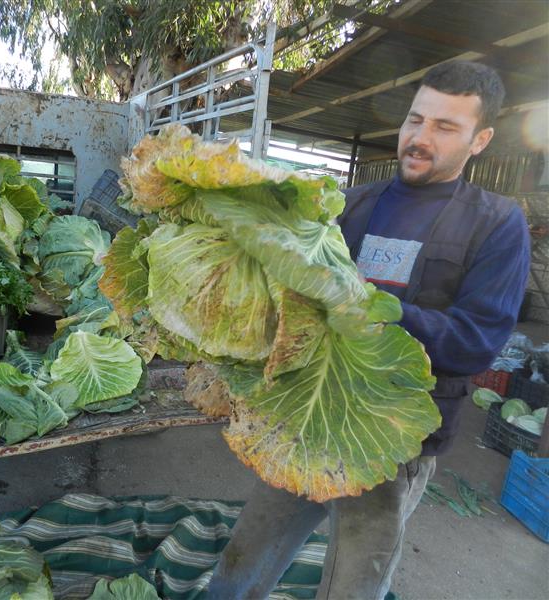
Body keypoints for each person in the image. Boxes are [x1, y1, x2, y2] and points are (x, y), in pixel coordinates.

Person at [207, 61, 530, 599]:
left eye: (445, 127)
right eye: (415, 120)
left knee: (355, 581)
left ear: (481, 140)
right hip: (307, 413)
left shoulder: (496, 223)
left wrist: (380, 307)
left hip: (392, 436)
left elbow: (478, 341)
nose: (420, 138)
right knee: (247, 552)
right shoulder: (348, 204)